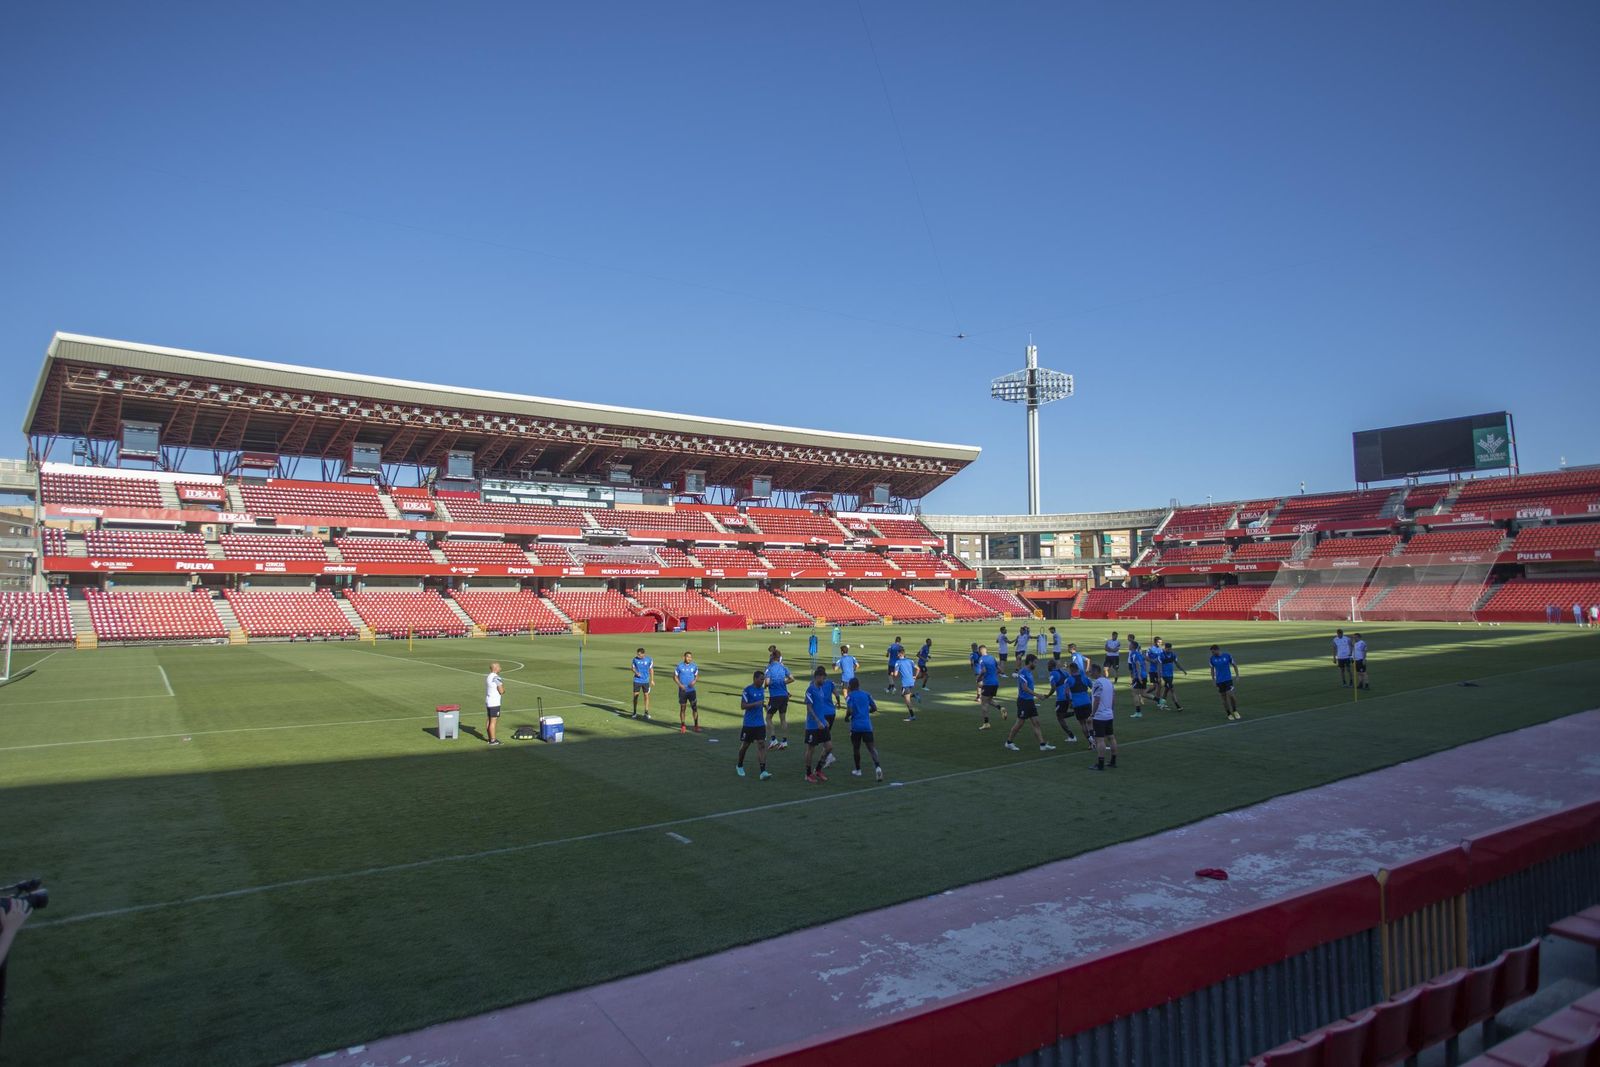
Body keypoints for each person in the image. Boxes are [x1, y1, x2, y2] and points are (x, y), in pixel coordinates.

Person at [1003, 654, 1057, 752]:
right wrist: (1037, 695)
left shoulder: (1029, 672)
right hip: (1023, 701)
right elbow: (1024, 688)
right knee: (1020, 723)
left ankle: (1042, 745)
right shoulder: (1023, 672)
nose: (1036, 665)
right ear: (1030, 662)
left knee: (1036, 722)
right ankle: (1009, 742)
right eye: (1035, 662)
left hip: (1030, 701)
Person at [844, 677, 884, 781]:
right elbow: (874, 708)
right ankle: (878, 767)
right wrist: (866, 712)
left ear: (850, 686)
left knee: (856, 748)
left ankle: (858, 770)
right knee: (871, 748)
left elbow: (850, 710)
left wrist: (846, 717)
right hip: (867, 726)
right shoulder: (867, 694)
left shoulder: (850, 696)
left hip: (856, 727)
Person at [736, 670, 772, 779]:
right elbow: (743, 705)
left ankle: (763, 771)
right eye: (761, 679)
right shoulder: (748, 690)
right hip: (749, 723)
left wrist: (765, 706)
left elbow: (761, 703)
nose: (763, 681)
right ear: (755, 679)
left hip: (760, 723)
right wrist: (756, 703)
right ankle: (739, 765)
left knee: (761, 744)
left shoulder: (762, 690)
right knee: (745, 746)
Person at [803, 667, 836, 782]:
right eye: (823, 677)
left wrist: (823, 720)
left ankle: (818, 770)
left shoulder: (821, 689)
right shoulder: (810, 690)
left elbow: (820, 707)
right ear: (817, 677)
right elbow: (809, 708)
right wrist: (817, 720)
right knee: (811, 749)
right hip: (813, 725)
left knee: (829, 747)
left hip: (822, 723)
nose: (824, 679)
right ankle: (808, 774)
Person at [1088, 664, 1118, 771]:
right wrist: (1111, 710)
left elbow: (1097, 700)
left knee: (1100, 740)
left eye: (1091, 671)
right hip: (1109, 714)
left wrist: (1092, 714)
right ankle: (1113, 761)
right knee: (1111, 737)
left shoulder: (1097, 683)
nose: (1090, 673)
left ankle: (1100, 764)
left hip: (1100, 716)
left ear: (1096, 671)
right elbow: (1114, 697)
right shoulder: (1108, 682)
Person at [764, 650, 794, 749]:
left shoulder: (769, 668)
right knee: (783, 719)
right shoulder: (783, 667)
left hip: (775, 696)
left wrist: (769, 685)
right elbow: (792, 679)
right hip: (784, 696)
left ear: (772, 657)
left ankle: (773, 740)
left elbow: (767, 682)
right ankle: (784, 741)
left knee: (768, 718)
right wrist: (783, 683)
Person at [1208, 644, 1241, 721]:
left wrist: (1237, 675)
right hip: (1219, 681)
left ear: (1217, 650)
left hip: (1228, 680)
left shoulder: (1227, 656)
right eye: (1211, 652)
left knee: (1231, 695)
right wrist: (1213, 679)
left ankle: (1235, 710)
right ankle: (1229, 713)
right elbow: (1212, 669)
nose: (1212, 654)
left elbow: (1234, 665)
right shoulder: (1212, 659)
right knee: (1224, 698)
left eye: (1213, 652)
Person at [976, 643, 1005, 729]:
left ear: (980, 651)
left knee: (983, 703)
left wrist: (979, 678)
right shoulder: (992, 657)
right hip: (995, 683)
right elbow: (1000, 670)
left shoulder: (981, 659)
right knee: (989, 700)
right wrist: (993, 675)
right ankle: (1001, 708)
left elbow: (984, 670)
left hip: (988, 683)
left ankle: (986, 723)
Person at [1047, 658, 1076, 742]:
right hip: (1069, 696)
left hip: (1061, 698)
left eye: (1048, 665)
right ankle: (1075, 713)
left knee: (1060, 717)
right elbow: (1072, 681)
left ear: (1050, 666)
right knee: (1061, 715)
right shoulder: (1064, 672)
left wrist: (1048, 695)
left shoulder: (1052, 674)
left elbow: (1053, 688)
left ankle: (1071, 736)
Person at [1064, 658, 1094, 739]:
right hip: (1087, 702)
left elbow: (1066, 692)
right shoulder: (1085, 678)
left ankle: (1090, 743)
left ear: (1071, 670)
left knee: (1083, 724)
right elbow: (1093, 688)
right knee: (1090, 722)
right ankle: (1094, 739)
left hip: (1077, 704)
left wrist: (1070, 702)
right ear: (1077, 669)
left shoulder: (1068, 680)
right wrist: (1091, 698)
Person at [674, 651, 701, 733]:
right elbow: (674, 677)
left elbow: (697, 676)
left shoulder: (694, 666)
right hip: (683, 691)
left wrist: (694, 681)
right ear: (684, 657)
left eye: (690, 657)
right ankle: (683, 726)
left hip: (692, 691)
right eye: (688, 657)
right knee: (683, 708)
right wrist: (680, 685)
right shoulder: (679, 666)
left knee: (694, 708)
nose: (689, 658)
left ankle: (696, 726)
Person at [1158, 639, 1186, 710]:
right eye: (1168, 649)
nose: (1169, 650)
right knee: (1172, 689)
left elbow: (1177, 663)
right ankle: (1178, 706)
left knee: (1166, 690)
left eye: (1170, 649)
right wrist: (1160, 676)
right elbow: (1160, 666)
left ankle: (1162, 704)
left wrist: (1182, 670)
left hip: (1170, 675)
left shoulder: (1173, 655)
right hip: (1165, 675)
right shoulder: (1161, 655)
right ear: (1165, 648)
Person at [893, 652, 919, 721]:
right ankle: (914, 695)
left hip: (905, 682)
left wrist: (892, 673)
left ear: (900, 654)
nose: (897, 655)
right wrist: (915, 677)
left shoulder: (898, 662)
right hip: (911, 681)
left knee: (907, 700)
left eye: (898, 654)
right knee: (903, 695)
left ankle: (912, 716)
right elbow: (918, 669)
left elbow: (895, 675)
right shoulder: (910, 660)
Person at [1125, 636, 1147, 719]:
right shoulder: (1138, 654)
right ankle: (1159, 700)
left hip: (1139, 676)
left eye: (1130, 645)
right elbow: (1143, 664)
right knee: (1143, 693)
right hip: (1143, 675)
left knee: (1135, 693)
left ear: (1132, 646)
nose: (1129, 646)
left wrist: (1138, 677)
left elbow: (1138, 665)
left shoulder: (1134, 654)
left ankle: (1138, 712)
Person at [630, 646, 654, 719]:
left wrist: (652, 680)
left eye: (639, 654)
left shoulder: (649, 659)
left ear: (643, 654)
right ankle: (634, 712)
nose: (638, 655)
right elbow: (632, 668)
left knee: (646, 696)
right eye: (637, 654)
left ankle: (646, 712)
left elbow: (651, 670)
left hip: (646, 681)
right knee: (635, 697)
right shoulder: (635, 660)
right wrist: (636, 673)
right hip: (637, 680)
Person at [484, 661, 504, 746]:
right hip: (494, 702)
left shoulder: (489, 676)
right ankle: (493, 740)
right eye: (499, 667)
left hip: (488, 700)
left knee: (489, 719)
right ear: (495, 668)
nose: (500, 668)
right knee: (493, 721)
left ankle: (490, 738)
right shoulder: (496, 677)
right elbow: (501, 691)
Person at [1144, 641, 1164, 708]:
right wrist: (1152, 661)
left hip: (1159, 670)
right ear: (1155, 642)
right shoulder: (1150, 649)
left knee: (1160, 685)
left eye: (1161, 642)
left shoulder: (1161, 650)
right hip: (1152, 670)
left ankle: (1158, 701)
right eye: (1159, 642)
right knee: (1154, 686)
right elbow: (1146, 658)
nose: (1160, 643)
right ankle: (1144, 694)